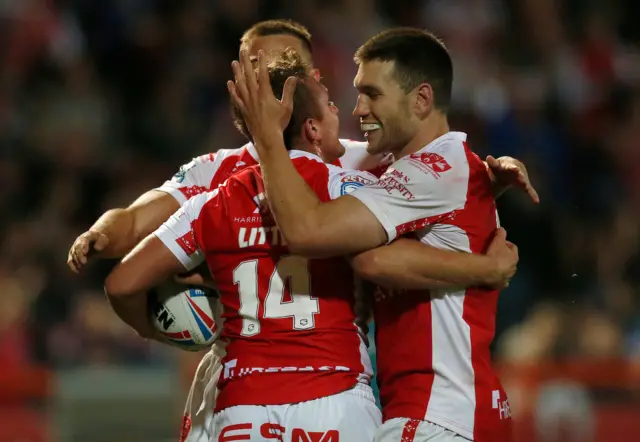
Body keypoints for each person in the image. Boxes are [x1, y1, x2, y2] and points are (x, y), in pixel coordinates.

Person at [104, 51, 518, 442]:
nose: (348, 112)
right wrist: (483, 204)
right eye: (332, 104)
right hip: (335, 399)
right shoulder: (350, 191)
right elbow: (401, 243)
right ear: (312, 128)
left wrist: (158, 329)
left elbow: (122, 284)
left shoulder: (210, 204)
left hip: (244, 405)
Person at [67, 19, 536, 274]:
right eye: (262, 67)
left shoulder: (360, 159)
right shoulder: (217, 170)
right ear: (239, 86)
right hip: (253, 373)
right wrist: (99, 234)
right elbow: (132, 221)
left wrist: (482, 182)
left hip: (353, 382)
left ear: (313, 78)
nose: (278, 80)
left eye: (293, 68)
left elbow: (435, 189)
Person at [228, 28, 518, 442]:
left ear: (421, 100)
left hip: (440, 416)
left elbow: (309, 232)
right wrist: (483, 266)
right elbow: (326, 160)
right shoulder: (400, 166)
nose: (359, 108)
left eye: (373, 94)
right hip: (442, 412)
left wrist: (268, 134)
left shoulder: (437, 167)